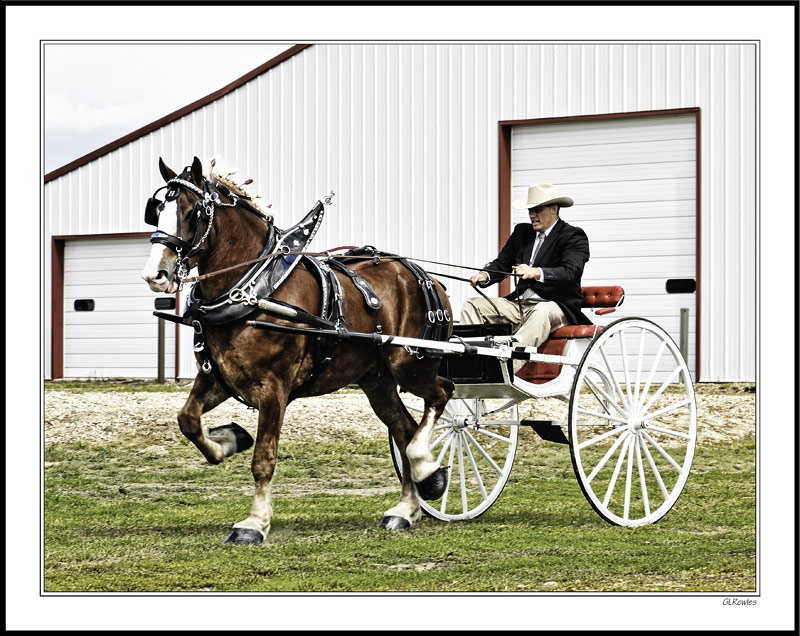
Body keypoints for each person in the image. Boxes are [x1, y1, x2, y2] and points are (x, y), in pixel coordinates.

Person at [460, 184, 591, 367]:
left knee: (541, 310)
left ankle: (505, 368)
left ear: (554, 209)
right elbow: (502, 263)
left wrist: (536, 272)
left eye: (537, 210)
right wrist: (485, 275)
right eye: (530, 210)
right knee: (473, 305)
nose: (531, 215)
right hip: (521, 304)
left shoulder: (573, 236)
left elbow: (571, 271)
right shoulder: (522, 232)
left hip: (556, 305)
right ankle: (472, 365)